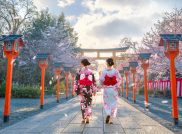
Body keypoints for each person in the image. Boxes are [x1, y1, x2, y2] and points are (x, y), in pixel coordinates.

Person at [74, 59, 96, 124]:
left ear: (82, 64)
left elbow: (76, 81)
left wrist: (75, 89)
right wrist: (94, 90)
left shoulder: (79, 71)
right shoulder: (91, 72)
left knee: (83, 103)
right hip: (89, 89)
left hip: (82, 89)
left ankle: (84, 118)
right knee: (88, 103)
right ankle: (88, 117)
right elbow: (93, 82)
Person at [100, 58, 121, 124]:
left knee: (107, 103)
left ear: (107, 63)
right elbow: (120, 79)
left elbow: (101, 79)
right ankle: (111, 119)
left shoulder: (104, 71)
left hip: (107, 89)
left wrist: (103, 85)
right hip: (114, 89)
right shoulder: (115, 71)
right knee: (114, 103)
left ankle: (108, 113)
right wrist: (117, 85)